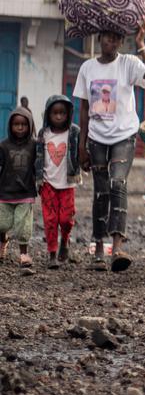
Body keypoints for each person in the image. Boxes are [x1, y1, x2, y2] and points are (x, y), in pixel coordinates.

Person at [75, 24, 145, 272]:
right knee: (100, 190)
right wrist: (81, 146)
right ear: (100, 38)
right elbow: (83, 109)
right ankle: (99, 248)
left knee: (117, 184)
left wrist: (142, 44)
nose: (111, 43)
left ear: (121, 43)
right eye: (107, 38)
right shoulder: (87, 68)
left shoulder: (129, 63)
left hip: (124, 135)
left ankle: (118, 246)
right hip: (97, 138)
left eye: (116, 39)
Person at [34, 96, 81, 268]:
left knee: (66, 219)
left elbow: (82, 151)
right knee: (50, 220)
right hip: (48, 184)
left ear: (68, 114)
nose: (59, 116)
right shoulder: (43, 133)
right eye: (55, 113)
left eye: (62, 113)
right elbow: (38, 157)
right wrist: (37, 179)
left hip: (67, 183)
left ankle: (65, 241)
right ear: (48, 114)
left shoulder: (74, 132)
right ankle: (52, 252)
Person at [0, 107, 37, 269]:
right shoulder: (3, 146)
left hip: (25, 192)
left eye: (24, 124)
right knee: (1, 223)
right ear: (10, 126)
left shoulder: (35, 145)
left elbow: (39, 166)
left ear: (29, 126)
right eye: (16, 124)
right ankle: (3, 241)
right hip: (4, 191)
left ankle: (24, 254)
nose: (20, 128)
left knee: (23, 226)